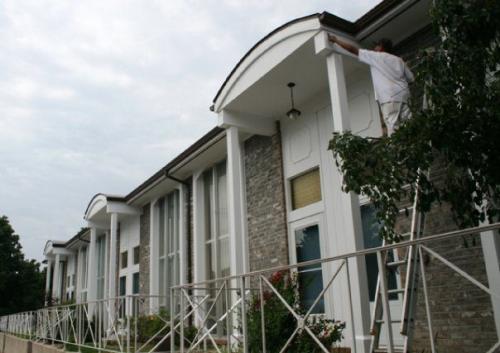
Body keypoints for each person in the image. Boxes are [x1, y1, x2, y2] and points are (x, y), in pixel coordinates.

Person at [328, 35, 414, 136]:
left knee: (393, 128)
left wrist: (336, 40)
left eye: (376, 46)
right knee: (409, 125)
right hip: (404, 96)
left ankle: (398, 148)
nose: (374, 48)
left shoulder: (375, 56)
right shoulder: (399, 60)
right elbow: (411, 79)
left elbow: (353, 49)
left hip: (389, 98)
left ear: (381, 47)